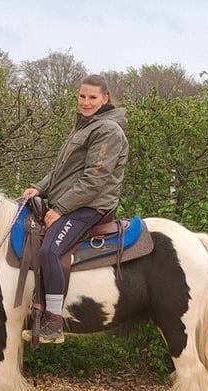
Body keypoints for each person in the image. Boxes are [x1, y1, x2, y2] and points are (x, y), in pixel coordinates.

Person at [21, 74, 129, 344]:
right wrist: (39, 189)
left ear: (105, 98)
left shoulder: (108, 131)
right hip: (74, 202)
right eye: (82, 96)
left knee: (49, 250)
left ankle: (54, 322)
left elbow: (94, 180)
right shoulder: (85, 126)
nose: (86, 102)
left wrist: (59, 209)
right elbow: (62, 173)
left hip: (91, 206)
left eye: (92, 97)